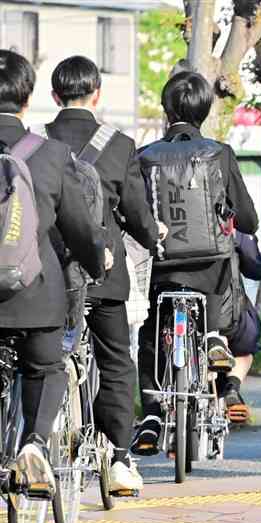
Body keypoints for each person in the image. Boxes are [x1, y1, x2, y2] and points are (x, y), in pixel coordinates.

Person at [44, 55, 163, 493]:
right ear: (97, 94)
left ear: (55, 97)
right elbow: (135, 213)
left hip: (53, 273)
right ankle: (118, 458)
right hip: (105, 275)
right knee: (116, 363)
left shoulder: (38, 144)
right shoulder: (119, 144)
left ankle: (38, 440)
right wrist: (153, 236)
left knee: (46, 357)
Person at [132, 72, 258, 455]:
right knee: (224, 298)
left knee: (149, 338)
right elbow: (249, 221)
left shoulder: (144, 157)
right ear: (205, 109)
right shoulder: (219, 154)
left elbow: (133, 217)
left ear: (166, 109)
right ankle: (217, 344)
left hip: (163, 271)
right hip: (213, 275)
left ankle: (152, 413)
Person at [0, 49, 106, 495]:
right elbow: (80, 229)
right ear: (28, 98)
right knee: (47, 367)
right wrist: (98, 261)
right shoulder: (50, 154)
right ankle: (36, 443)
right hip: (35, 297)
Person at [219, 232, 261, 423]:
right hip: (223, 308)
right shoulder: (227, 216)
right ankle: (232, 387)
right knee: (245, 343)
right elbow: (254, 265)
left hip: (170, 296)